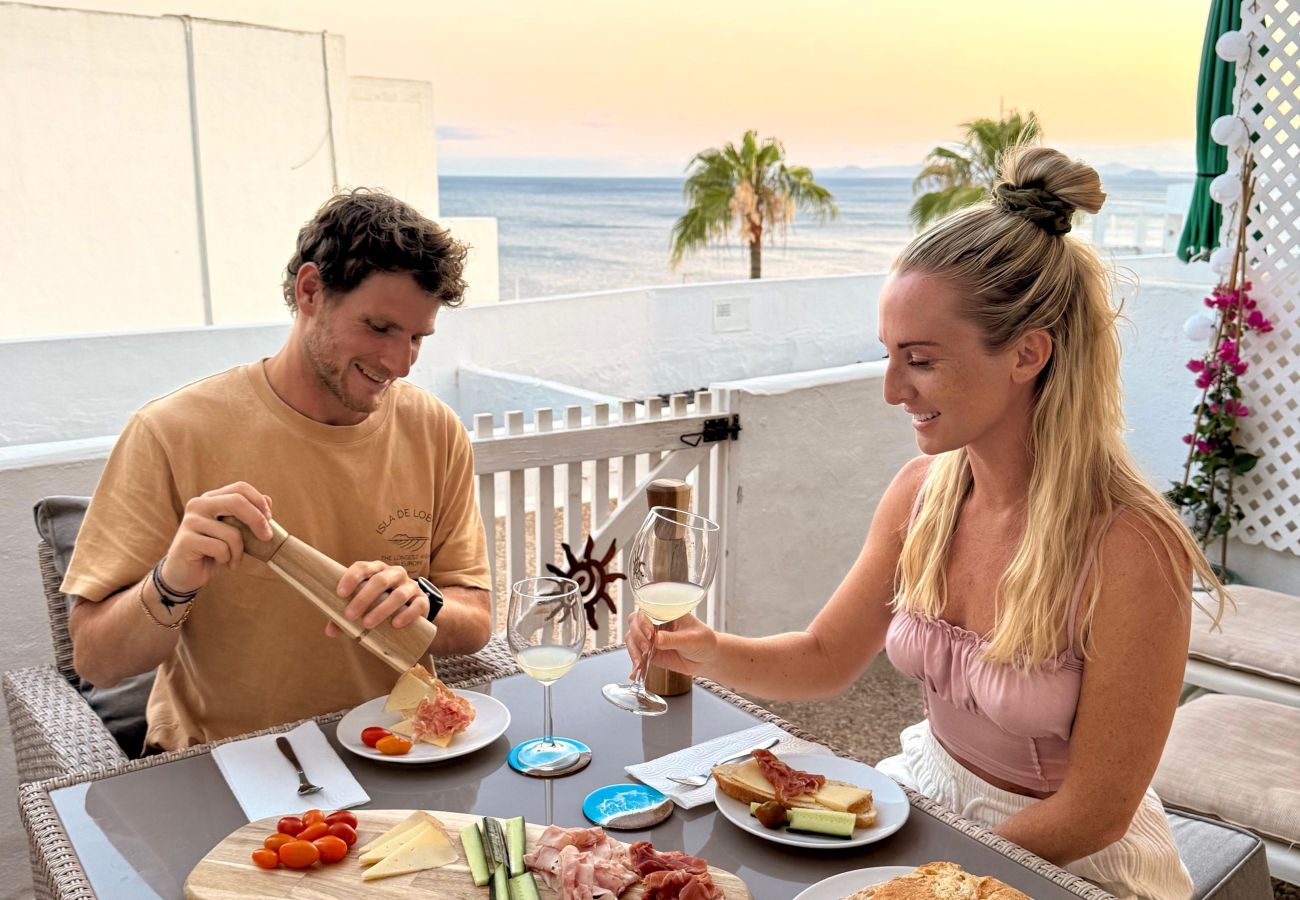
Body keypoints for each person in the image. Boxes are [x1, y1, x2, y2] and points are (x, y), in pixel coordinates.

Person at [627, 147, 1226, 900]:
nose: (890, 390)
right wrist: (705, 650)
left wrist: (921, 880)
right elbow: (823, 657)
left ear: (1027, 354)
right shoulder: (922, 494)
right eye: (887, 356)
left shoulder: (1131, 549)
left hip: (1067, 864)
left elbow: (1094, 813)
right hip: (925, 803)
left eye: (920, 360)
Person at [64, 189, 493, 752]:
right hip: (229, 761)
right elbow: (97, 660)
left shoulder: (435, 429)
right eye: (380, 327)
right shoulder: (171, 432)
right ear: (310, 291)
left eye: (417, 337)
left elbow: (476, 618)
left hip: (397, 748)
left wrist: (424, 600)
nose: (400, 362)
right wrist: (173, 580)